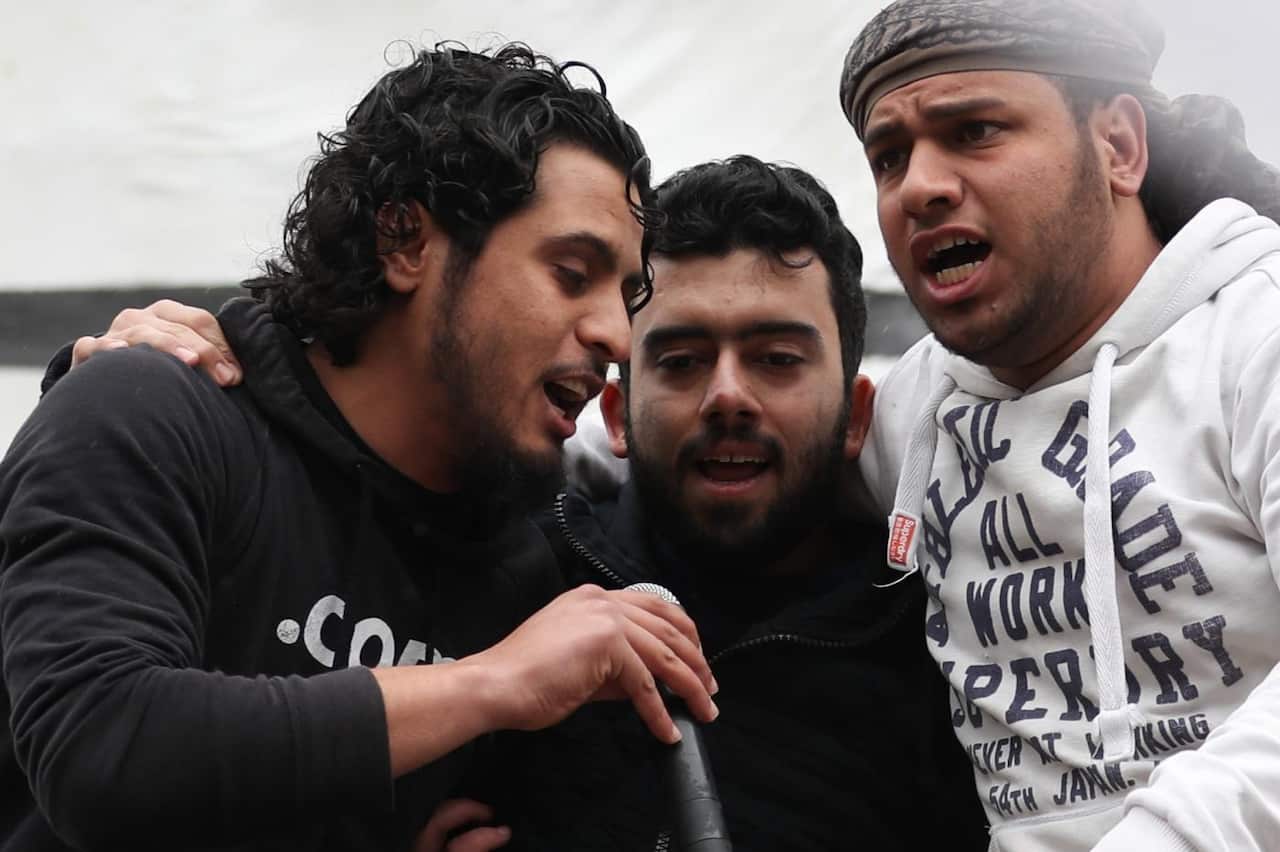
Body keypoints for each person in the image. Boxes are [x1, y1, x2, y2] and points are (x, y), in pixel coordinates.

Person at [59, 157, 990, 850]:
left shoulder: (949, 638)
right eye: (679, 359)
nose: (728, 395)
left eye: (779, 358)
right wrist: (153, 380)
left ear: (858, 417)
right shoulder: (505, 568)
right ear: (614, 411)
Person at [0, 43, 717, 852]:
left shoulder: (522, 567)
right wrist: (489, 682)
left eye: (626, 298)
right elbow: (104, 753)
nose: (615, 335)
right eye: (571, 272)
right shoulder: (156, 408)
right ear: (405, 241)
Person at [840, 0, 1280, 849]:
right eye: (888, 157)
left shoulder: (1254, 338)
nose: (920, 186)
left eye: (974, 131)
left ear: (1117, 146)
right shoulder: (914, 408)